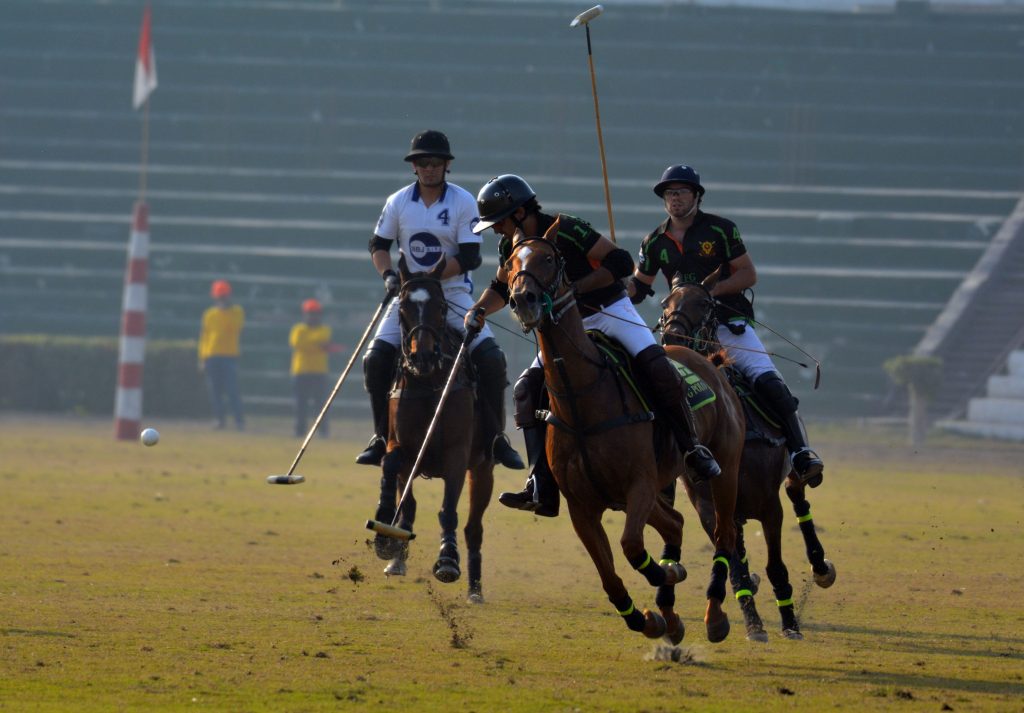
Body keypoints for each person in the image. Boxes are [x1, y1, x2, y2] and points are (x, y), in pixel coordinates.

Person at [465, 174, 722, 518]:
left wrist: (574, 289)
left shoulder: (567, 227)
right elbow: (500, 288)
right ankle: (540, 481)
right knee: (527, 387)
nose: (496, 229)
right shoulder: (510, 245)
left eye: (499, 221)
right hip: (568, 326)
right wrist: (479, 310)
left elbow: (619, 262)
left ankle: (692, 449)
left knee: (657, 366)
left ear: (521, 211)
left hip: (610, 311)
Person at [628, 164, 824, 486]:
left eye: (681, 192)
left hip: (726, 324)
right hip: (680, 332)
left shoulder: (720, 230)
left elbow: (748, 274)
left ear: (697, 196)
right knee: (650, 387)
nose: (674, 198)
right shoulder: (654, 242)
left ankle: (801, 453)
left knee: (766, 378)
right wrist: (621, 286)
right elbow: (640, 285)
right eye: (669, 193)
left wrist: (706, 293)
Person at [355, 130, 524, 471]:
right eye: (422, 162)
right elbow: (378, 246)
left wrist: (432, 278)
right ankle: (378, 437)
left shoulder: (463, 202)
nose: (429, 168)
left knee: (491, 360)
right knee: (375, 360)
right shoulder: (397, 202)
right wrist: (389, 275)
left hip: (453, 294)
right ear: (413, 167)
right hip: (410, 297)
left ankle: (495, 437)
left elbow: (470, 256)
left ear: (446, 166)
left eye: (435, 162)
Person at [198, 279, 245, 430]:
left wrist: (226, 310)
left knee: (232, 390)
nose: (222, 299)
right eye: (220, 296)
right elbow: (204, 337)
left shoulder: (237, 312)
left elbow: (235, 327)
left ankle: (239, 421)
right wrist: (203, 357)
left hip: (229, 356)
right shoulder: (209, 314)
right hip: (212, 356)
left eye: (224, 296)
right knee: (215, 391)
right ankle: (220, 420)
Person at [289, 298, 334, 438]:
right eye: (310, 313)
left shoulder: (325, 329)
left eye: (314, 313)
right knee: (300, 404)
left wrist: (311, 344)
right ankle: (299, 430)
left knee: (320, 405)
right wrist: (317, 345)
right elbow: (297, 343)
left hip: (319, 372)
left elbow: (314, 343)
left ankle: (322, 431)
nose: (312, 316)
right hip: (301, 371)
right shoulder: (298, 329)